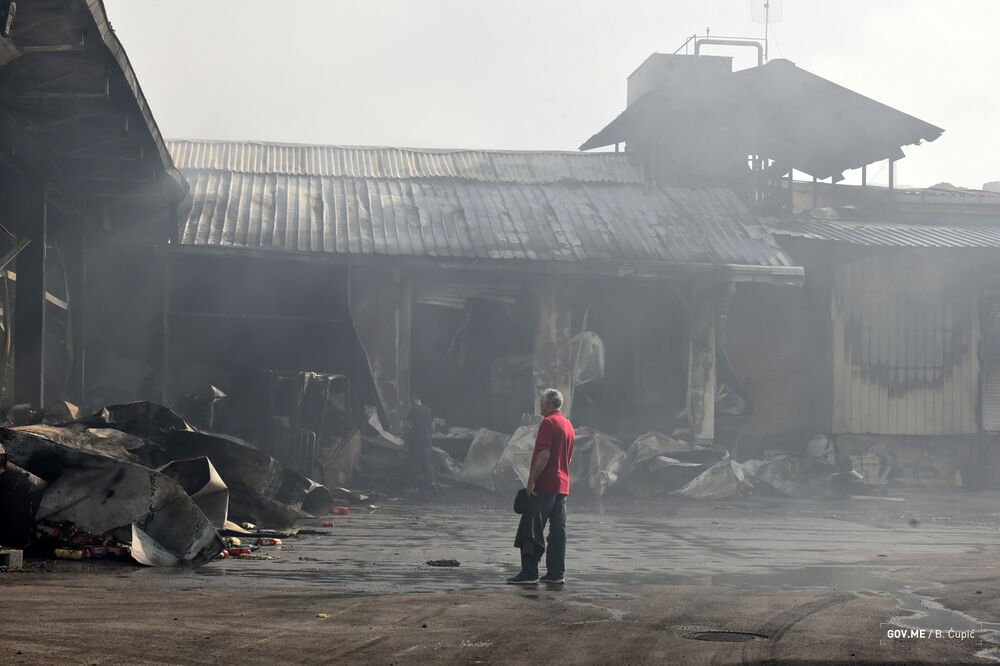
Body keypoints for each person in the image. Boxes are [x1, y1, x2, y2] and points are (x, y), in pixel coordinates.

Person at [508, 388, 575, 585]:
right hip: (562, 485)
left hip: (545, 484)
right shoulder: (568, 425)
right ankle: (556, 573)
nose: (540, 405)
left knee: (531, 528)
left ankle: (529, 573)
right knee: (557, 531)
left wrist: (531, 481)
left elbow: (544, 455)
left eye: (542, 402)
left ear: (549, 404)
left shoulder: (548, 422)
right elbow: (567, 458)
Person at [405, 393, 436, 492]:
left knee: (414, 463)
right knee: (427, 462)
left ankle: (414, 487)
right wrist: (428, 436)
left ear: (413, 400)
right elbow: (433, 427)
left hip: (415, 441)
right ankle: (431, 483)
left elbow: (408, 426)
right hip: (427, 440)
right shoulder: (428, 410)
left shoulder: (413, 410)